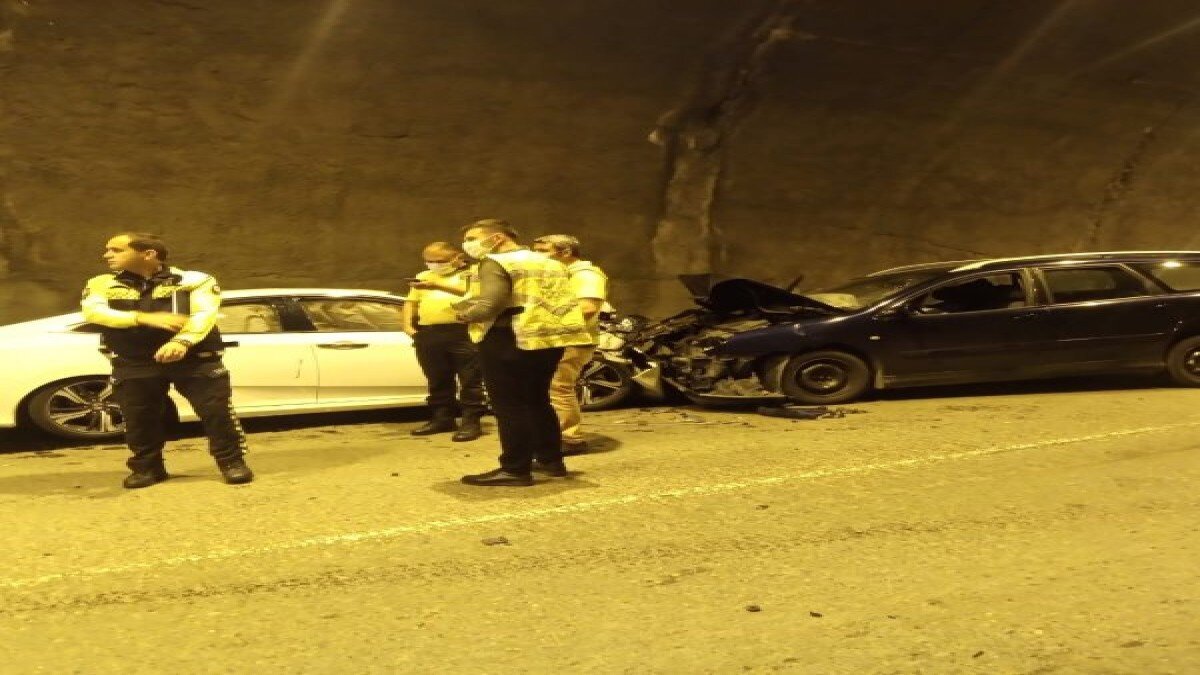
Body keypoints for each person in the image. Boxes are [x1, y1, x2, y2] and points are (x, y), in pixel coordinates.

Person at [81, 233, 253, 488]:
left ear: (148, 254)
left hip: (195, 359)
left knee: (217, 414)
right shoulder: (101, 283)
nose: (107, 255)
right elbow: (94, 312)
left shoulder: (195, 280)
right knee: (139, 418)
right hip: (134, 361)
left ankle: (232, 462)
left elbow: (204, 314)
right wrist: (143, 318)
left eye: (116, 250)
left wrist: (182, 341)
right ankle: (148, 468)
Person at [454, 219, 593, 486]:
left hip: (511, 337)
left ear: (497, 238)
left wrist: (465, 315)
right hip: (549, 338)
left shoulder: (497, 261)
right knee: (537, 400)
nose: (467, 244)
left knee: (509, 405)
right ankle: (551, 461)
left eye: (472, 238)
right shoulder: (550, 262)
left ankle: (515, 468)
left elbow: (491, 303)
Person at [399, 241, 486, 442]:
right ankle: (442, 419)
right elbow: (411, 302)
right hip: (430, 333)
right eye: (428, 261)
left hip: (463, 332)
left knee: (470, 380)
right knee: (437, 379)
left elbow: (474, 295)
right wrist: (408, 327)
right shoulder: (424, 276)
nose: (433, 265)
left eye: (439, 261)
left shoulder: (473, 274)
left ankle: (471, 422)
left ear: (457, 257)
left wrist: (436, 285)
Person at [531, 234, 609, 455]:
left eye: (542, 251)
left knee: (559, 388)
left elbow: (588, 308)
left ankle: (571, 439)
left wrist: (540, 318)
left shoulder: (585, 274)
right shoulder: (560, 274)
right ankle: (553, 434)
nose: (536, 256)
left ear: (565, 252)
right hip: (557, 339)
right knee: (550, 388)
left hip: (573, 340)